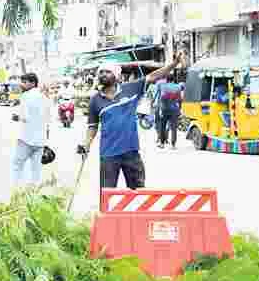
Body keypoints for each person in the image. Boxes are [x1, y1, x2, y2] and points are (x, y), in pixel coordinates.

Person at [79, 55, 185, 190]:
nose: (103, 74)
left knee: (138, 193)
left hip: (131, 152)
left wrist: (174, 64)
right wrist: (86, 144)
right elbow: (92, 126)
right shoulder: (95, 100)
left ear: (117, 76)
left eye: (108, 72)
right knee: (107, 195)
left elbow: (154, 76)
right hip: (108, 155)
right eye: (101, 72)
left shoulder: (131, 88)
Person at [11, 72, 50, 188]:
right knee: (36, 167)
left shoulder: (26, 96)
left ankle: (16, 189)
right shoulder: (44, 97)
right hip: (40, 139)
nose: (22, 84)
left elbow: (24, 117)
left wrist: (16, 117)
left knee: (17, 164)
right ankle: (35, 191)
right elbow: (48, 118)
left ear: (33, 83)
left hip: (26, 138)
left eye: (24, 82)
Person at [155, 72, 183, 149]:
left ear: (166, 80)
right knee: (174, 128)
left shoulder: (163, 86)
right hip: (174, 109)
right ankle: (173, 145)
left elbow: (162, 99)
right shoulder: (178, 87)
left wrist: (160, 109)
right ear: (173, 79)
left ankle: (162, 143)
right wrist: (179, 109)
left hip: (165, 109)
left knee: (162, 126)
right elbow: (180, 99)